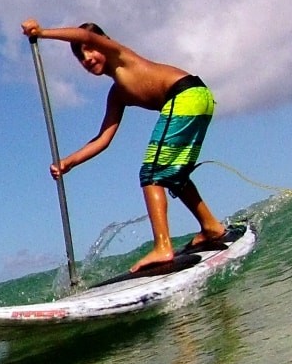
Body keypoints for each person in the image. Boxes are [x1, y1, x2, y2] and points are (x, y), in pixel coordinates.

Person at [22, 19, 227, 272]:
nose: (86, 58)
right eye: (79, 57)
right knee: (174, 175)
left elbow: (81, 34)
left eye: (89, 49)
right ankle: (211, 226)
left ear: (103, 43)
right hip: (198, 97)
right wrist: (68, 162)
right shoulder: (117, 94)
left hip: (185, 94)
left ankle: (163, 247)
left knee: (151, 173)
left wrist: (42, 33)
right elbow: (103, 139)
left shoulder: (118, 53)